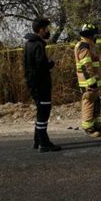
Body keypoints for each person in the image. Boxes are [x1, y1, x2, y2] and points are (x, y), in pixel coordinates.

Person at [23, 18, 61, 152]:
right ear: (41, 30)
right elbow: (41, 65)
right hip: (40, 84)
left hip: (33, 82)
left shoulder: (29, 44)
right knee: (44, 111)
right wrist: (52, 64)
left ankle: (37, 140)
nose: (48, 31)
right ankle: (44, 143)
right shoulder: (38, 45)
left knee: (41, 109)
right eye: (46, 28)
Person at [74, 24, 101, 138]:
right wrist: (91, 81)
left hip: (92, 80)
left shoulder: (86, 45)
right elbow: (86, 66)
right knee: (89, 102)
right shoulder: (84, 47)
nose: (95, 37)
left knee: (96, 101)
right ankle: (88, 128)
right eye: (94, 35)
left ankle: (97, 125)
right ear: (90, 35)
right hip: (88, 81)